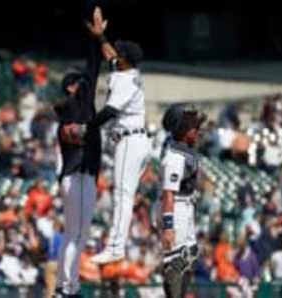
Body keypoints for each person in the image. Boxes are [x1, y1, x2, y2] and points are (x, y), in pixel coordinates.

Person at [79, 7, 152, 264]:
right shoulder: (127, 70)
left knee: (123, 194)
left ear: (125, 59)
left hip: (130, 141)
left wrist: (86, 126)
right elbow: (109, 54)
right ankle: (116, 245)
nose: (114, 54)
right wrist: (100, 36)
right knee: (125, 194)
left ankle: (116, 247)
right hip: (136, 140)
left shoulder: (125, 80)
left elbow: (108, 112)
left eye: (118, 53)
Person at [52, 6, 103, 297]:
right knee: (77, 236)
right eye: (79, 83)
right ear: (71, 88)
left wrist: (96, 41)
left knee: (75, 236)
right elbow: (91, 71)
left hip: (82, 176)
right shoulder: (73, 107)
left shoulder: (77, 106)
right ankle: (67, 288)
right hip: (77, 176)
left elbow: (91, 71)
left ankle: (65, 286)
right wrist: (96, 40)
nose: (84, 84)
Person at [158, 103, 207, 298]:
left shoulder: (182, 148)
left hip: (185, 206)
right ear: (181, 129)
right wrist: (168, 227)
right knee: (175, 265)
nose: (197, 130)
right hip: (174, 207)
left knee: (190, 255)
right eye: (192, 127)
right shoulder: (174, 156)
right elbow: (168, 193)